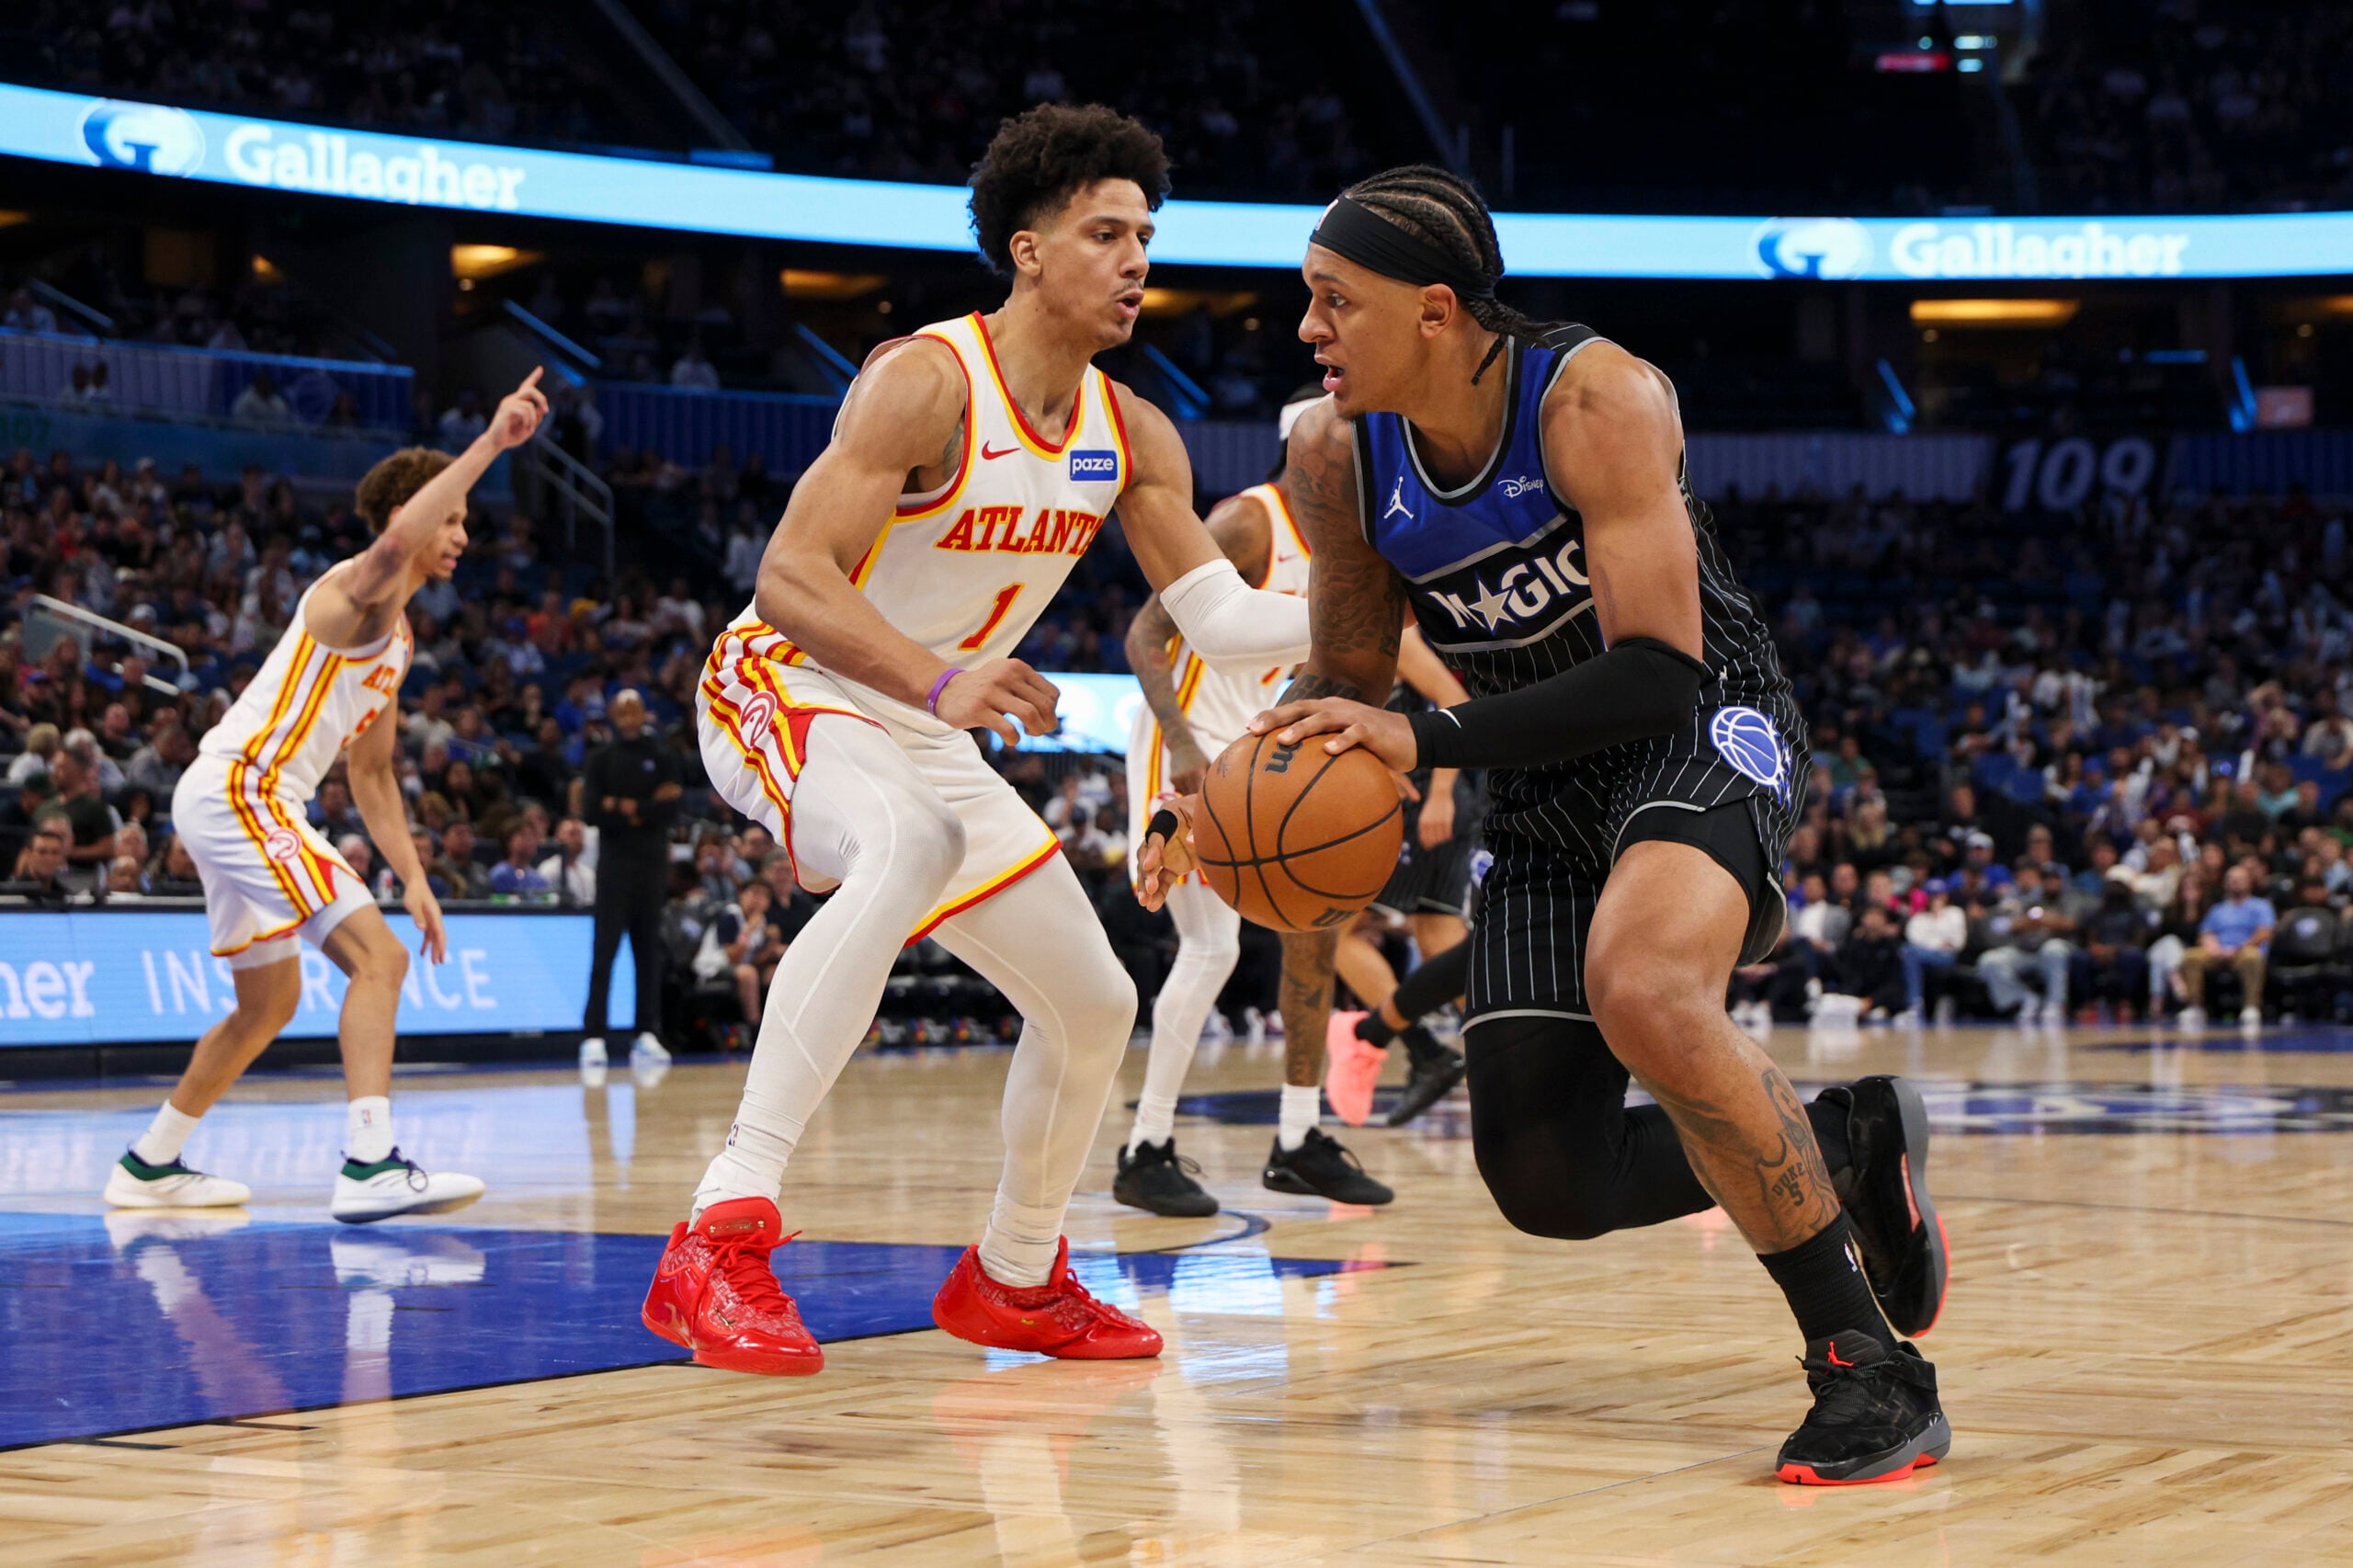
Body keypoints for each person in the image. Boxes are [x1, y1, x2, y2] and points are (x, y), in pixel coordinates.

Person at [1154, 165, 1949, 1484]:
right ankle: (1846, 1137)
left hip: (1694, 726)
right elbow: (1351, 667)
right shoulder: (1333, 454)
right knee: (1545, 1177)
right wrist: (1241, 776)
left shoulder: (1596, 398)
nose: (1307, 329)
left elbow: (1655, 665)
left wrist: (1432, 736)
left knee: (1643, 985)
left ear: (1436, 311)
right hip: (1538, 771)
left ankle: (1869, 1367)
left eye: (1333, 301)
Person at [654, 103, 1313, 1377]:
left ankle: (1015, 1275)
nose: (1136, 259)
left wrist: (1373, 605)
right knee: (909, 839)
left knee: (1093, 999)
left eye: (1145, 234)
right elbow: (790, 577)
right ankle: (717, 1234)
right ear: (1027, 247)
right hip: (787, 680)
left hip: (923, 716)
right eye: (1105, 231)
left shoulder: (1135, 432)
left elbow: (1222, 621)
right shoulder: (926, 380)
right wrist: (938, 673)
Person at [105, 368, 548, 1221]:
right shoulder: (354, 595)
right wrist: (491, 442)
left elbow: (373, 773)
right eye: (449, 519)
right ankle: (369, 1162)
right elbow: (391, 550)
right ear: (407, 520)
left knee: (271, 1001)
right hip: (246, 789)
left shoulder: (398, 638)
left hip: (238, 798)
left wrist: (414, 878)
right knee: (376, 961)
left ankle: (149, 1162)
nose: (461, 535)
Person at [1114, 393, 1391, 1218]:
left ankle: (1298, 1138)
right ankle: (1145, 1147)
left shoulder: (1359, 550)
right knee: (1214, 947)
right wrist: (1184, 745)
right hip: (1189, 739)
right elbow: (1143, 636)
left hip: (1268, 746)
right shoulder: (1248, 522)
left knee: (1317, 929)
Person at [1320, 620, 1478, 1130]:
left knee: (1333, 932)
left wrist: (1440, 794)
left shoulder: (1392, 637)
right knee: (1441, 944)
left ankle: (1423, 1050)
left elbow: (1455, 700)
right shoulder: (1316, 642)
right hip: (1416, 802)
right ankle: (1512, 1052)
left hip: (1422, 799)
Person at [576, 688, 679, 1069]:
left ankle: (646, 1033)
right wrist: (643, 808)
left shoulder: (662, 756)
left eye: (634, 709)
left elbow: (672, 807)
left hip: (651, 867)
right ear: (612, 715)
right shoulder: (601, 759)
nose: (628, 716)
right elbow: (590, 810)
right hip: (614, 867)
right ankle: (593, 1036)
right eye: (621, 710)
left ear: (644, 713)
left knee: (647, 952)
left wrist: (620, 805)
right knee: (604, 952)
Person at [2179, 864, 2275, 1028]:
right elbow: (2205, 933)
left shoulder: (2261, 906)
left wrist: (2239, 948)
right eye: (2232, 879)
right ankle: (2195, 1006)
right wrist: (2214, 948)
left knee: (2252, 957)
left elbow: (2264, 933)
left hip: (2244, 951)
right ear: (2225, 884)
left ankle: (2251, 1007)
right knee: (2191, 956)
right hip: (2218, 952)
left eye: (2240, 879)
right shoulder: (2217, 909)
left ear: (2249, 882)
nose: (2236, 882)